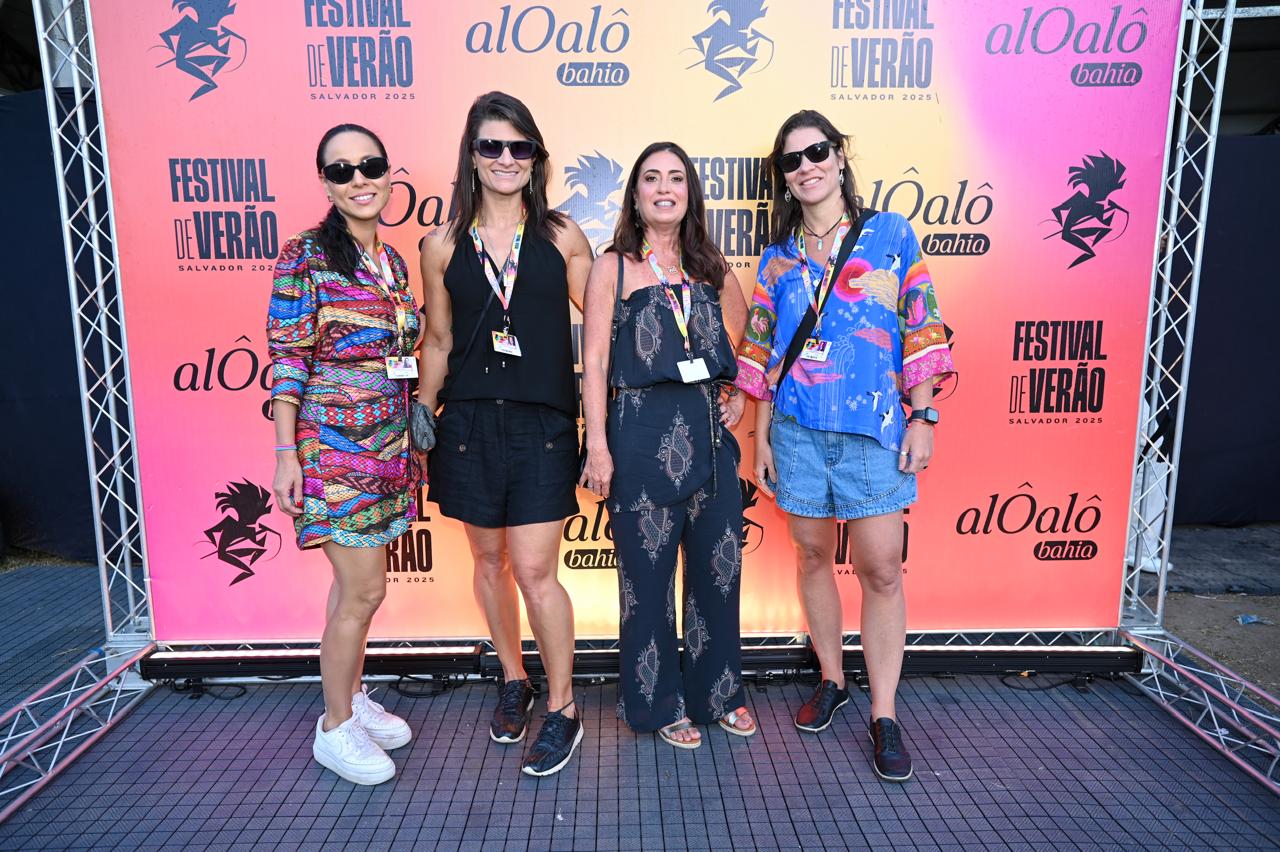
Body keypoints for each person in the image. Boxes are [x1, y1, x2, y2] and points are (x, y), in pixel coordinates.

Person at [726, 110, 955, 782]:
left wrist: (923, 416)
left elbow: (922, 323)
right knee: (811, 553)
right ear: (784, 178)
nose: (807, 167)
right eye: (792, 161)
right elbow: (763, 353)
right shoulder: (776, 259)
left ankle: (885, 713)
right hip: (796, 433)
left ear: (840, 155)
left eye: (817, 151)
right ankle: (833, 679)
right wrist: (761, 440)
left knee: (882, 567)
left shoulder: (889, 235)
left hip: (874, 431)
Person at [417, 92, 593, 777]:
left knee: (535, 571)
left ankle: (564, 706)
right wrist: (422, 411)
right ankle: (513, 680)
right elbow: (437, 339)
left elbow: (602, 324)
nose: (506, 159)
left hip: (544, 423)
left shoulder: (561, 237)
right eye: (492, 146)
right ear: (471, 155)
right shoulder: (440, 244)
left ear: (536, 158)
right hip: (464, 426)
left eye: (520, 147)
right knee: (488, 564)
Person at [580, 142, 755, 749]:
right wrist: (597, 446)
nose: (663, 188)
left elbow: (747, 337)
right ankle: (658, 705)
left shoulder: (711, 266)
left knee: (718, 574)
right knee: (646, 585)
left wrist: (739, 392)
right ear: (635, 194)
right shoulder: (613, 267)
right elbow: (595, 359)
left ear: (690, 192)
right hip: (639, 437)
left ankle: (720, 693)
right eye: (651, 178)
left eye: (676, 178)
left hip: (710, 443)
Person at [267, 123, 419, 786]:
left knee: (351, 592)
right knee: (365, 589)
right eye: (342, 170)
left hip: (385, 450)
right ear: (325, 182)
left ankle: (349, 700)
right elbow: (288, 358)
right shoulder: (304, 254)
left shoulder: (394, 260)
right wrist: (285, 452)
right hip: (330, 451)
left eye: (370, 165)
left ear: (388, 173)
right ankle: (333, 730)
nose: (359, 178)